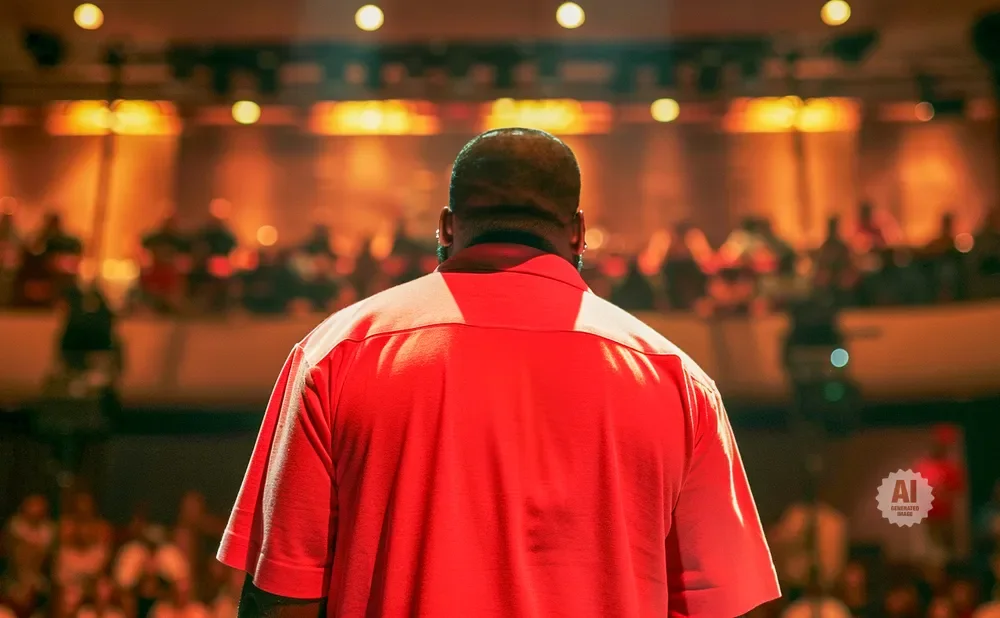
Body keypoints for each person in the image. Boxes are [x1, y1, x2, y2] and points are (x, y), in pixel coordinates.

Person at [218, 128, 780, 618]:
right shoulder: (675, 380)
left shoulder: (334, 354)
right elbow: (724, 605)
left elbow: (282, 598)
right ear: (579, 231)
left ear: (446, 226)